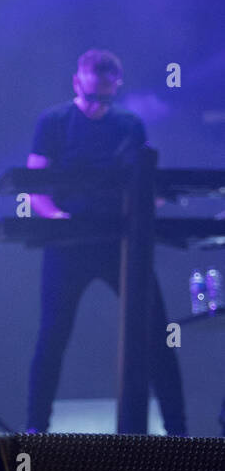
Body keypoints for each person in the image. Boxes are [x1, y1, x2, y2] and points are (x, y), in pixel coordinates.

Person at [25, 49, 186, 434]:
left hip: (122, 243)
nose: (98, 106)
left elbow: (144, 184)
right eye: (92, 96)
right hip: (69, 244)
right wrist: (55, 217)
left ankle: (179, 432)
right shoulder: (53, 122)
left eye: (105, 98)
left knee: (156, 334)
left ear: (117, 88)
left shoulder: (129, 124)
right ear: (77, 83)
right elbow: (33, 184)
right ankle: (35, 430)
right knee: (53, 337)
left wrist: (161, 199)